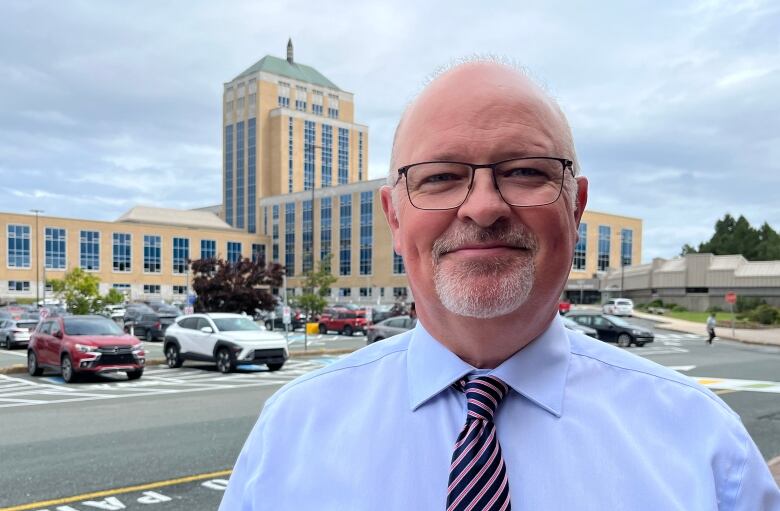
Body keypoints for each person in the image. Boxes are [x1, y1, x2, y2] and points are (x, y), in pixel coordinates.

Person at [220, 60, 779, 510]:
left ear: (577, 205)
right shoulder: (291, 434)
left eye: (525, 171)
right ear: (393, 217)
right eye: (440, 177)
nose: (483, 207)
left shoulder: (705, 447)